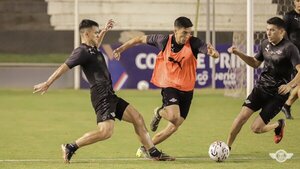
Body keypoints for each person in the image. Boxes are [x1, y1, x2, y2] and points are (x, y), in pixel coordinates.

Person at [33, 19, 175, 163]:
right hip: (101, 96)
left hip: (109, 94)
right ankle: (70, 147)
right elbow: (64, 67)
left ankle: (153, 152)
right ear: (87, 34)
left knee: (137, 118)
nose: (98, 34)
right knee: (105, 132)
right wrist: (47, 83)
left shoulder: (93, 48)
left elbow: (96, 42)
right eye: (96, 32)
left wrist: (105, 30)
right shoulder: (81, 51)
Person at [113, 16, 219, 158]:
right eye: (184, 33)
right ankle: (159, 112)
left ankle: (146, 147)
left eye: (189, 33)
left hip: (187, 89)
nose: (188, 36)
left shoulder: (194, 42)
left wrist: (213, 54)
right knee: (174, 118)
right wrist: (120, 49)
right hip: (170, 85)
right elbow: (138, 39)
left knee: (174, 125)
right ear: (175, 31)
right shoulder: (163, 40)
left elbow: (208, 50)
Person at [226, 17, 300, 151]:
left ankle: (278, 125)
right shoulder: (264, 44)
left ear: (282, 32)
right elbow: (255, 63)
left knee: (256, 128)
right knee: (241, 117)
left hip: (278, 95)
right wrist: (238, 53)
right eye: (267, 30)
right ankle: (227, 147)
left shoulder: (290, 48)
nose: (268, 33)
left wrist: (289, 85)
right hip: (261, 88)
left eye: (272, 30)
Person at [281, 0, 300, 119]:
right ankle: (286, 105)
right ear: (294, 2)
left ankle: (287, 105)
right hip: (295, 56)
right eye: (298, 0)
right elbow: (283, 34)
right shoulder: (288, 16)